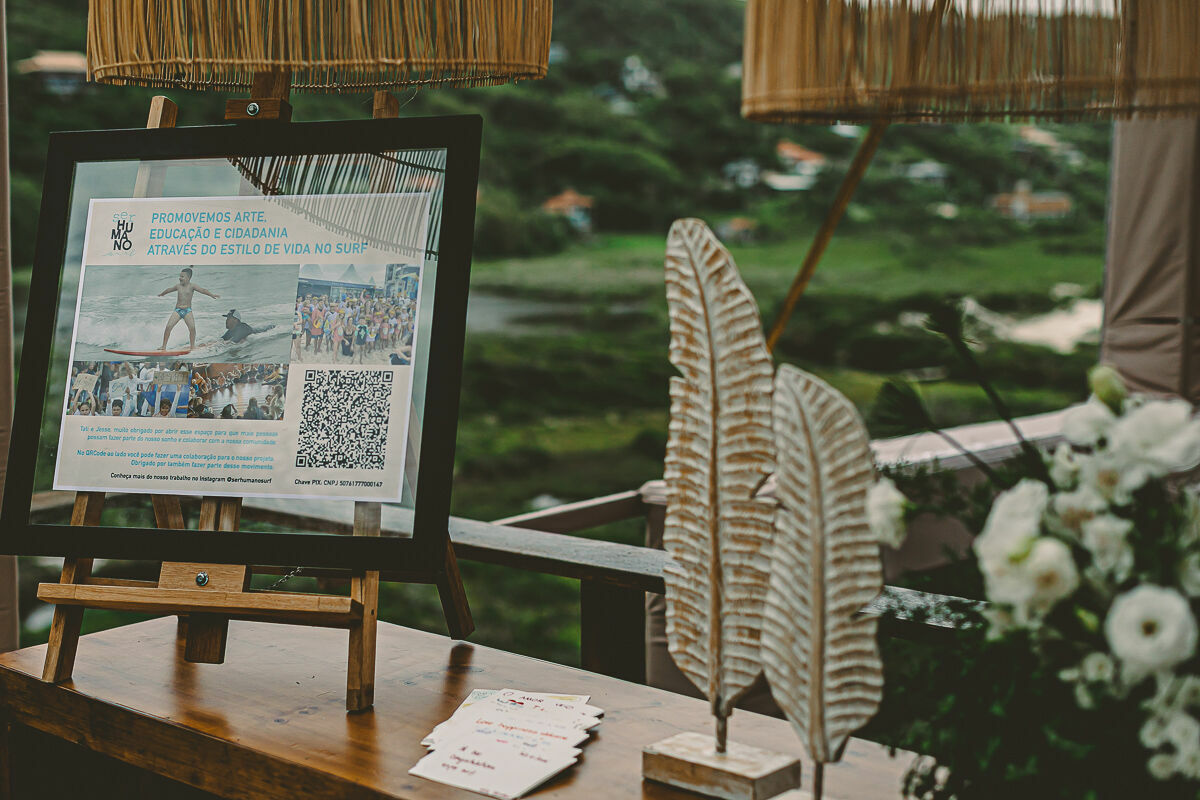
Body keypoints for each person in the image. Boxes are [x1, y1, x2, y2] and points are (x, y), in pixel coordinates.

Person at [158, 267, 220, 351]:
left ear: (188, 278)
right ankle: (163, 346)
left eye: (182, 276)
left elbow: (203, 290)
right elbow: (169, 289)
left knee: (192, 328)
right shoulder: (178, 286)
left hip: (187, 311)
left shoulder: (192, 286)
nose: (180, 278)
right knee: (168, 326)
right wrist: (162, 294)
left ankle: (192, 346)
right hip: (177, 310)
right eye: (180, 276)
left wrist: (212, 295)